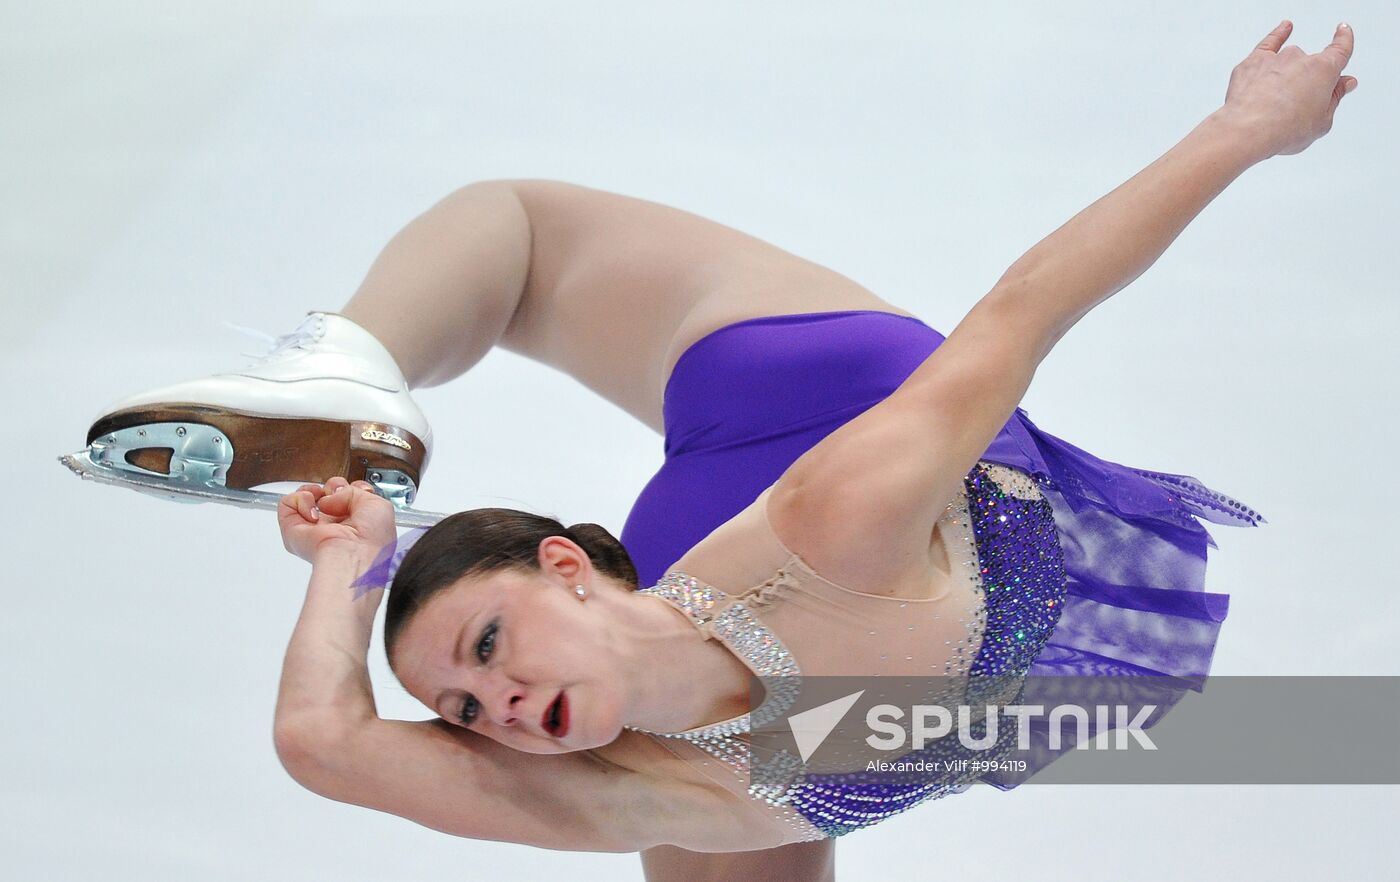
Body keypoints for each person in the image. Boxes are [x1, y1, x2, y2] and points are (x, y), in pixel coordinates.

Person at [86, 20, 1355, 881]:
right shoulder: (646, 790)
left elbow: (1023, 312)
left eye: (485, 651)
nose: (498, 713)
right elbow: (324, 742)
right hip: (806, 691)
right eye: (463, 713)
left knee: (519, 233)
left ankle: (351, 360)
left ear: (570, 568)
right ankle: (357, 398)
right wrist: (341, 562)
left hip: (825, 407)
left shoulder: (833, 524)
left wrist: (1248, 127)